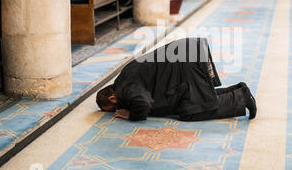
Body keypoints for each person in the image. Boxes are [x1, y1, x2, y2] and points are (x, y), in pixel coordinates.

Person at [96, 38, 257, 122]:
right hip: (192, 50)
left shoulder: (124, 88)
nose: (115, 111)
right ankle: (239, 90)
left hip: (189, 59)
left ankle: (241, 98)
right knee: (194, 100)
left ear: (112, 98)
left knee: (191, 111)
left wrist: (131, 114)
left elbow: (143, 103)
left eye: (111, 109)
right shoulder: (124, 76)